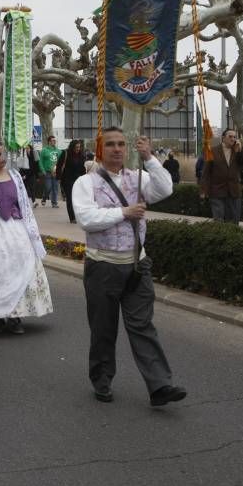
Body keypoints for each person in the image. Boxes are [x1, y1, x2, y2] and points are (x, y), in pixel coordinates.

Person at [72, 127, 186, 407]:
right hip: (103, 266)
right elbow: (86, 218)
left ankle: (160, 385)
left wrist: (149, 157)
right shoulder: (85, 183)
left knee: (142, 326)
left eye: (122, 144)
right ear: (100, 149)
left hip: (137, 265)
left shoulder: (138, 177)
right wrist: (124, 212)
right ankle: (102, 379)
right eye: (110, 144)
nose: (117, 149)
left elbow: (165, 188)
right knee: (103, 329)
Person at [0, 139, 53, 334]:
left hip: (15, 229)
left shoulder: (15, 176)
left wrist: (30, 231)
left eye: (4, 154)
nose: (3, 158)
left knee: (19, 267)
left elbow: (23, 203)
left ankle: (16, 316)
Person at [199, 128, 243, 224]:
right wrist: (203, 190)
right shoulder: (213, 151)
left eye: (235, 137)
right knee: (219, 220)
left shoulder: (238, 151)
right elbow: (206, 173)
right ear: (223, 138)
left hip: (234, 192)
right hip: (217, 191)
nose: (233, 139)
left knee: (233, 222)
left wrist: (240, 151)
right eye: (230, 136)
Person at [60, 139, 87, 223]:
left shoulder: (81, 155)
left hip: (78, 180)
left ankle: (78, 215)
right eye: (76, 147)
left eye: (79, 147)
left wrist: (84, 178)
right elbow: (59, 165)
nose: (78, 149)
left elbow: (82, 168)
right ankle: (72, 218)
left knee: (79, 199)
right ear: (72, 147)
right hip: (67, 180)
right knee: (70, 198)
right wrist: (59, 178)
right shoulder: (66, 153)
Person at [39, 135, 61, 207]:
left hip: (55, 172)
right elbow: (40, 161)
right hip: (47, 172)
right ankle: (44, 198)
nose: (54, 142)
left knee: (55, 188)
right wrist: (43, 170)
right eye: (53, 140)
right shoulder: (44, 150)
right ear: (49, 142)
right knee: (48, 187)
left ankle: (54, 203)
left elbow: (61, 161)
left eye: (55, 140)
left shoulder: (58, 151)